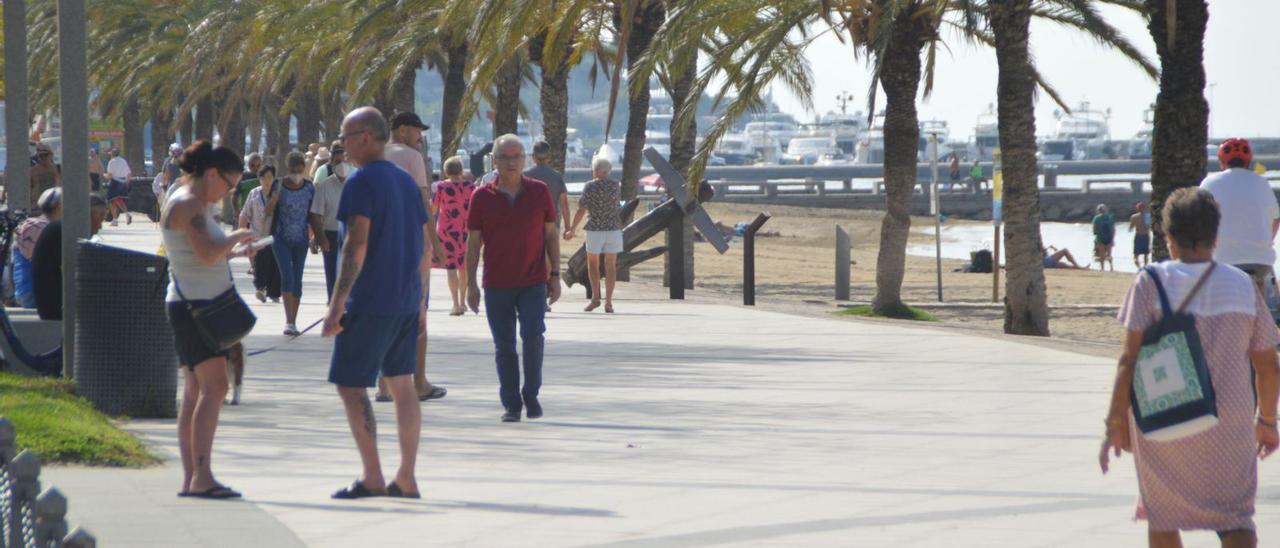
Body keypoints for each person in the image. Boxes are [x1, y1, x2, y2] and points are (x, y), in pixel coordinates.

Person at [1101, 187, 1279, 548]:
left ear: (1168, 237)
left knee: (1163, 515)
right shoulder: (1243, 285)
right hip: (1228, 421)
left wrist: (1115, 422)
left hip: (1164, 415)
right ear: (1216, 237)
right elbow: (1267, 364)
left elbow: (1128, 359)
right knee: (1235, 517)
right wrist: (1267, 421)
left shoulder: (1149, 282)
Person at [321, 107, 428, 500]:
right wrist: (418, 303)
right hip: (403, 300)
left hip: (371, 301)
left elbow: (356, 244)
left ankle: (372, 476)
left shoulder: (361, 183)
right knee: (402, 385)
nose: (342, 145)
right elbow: (422, 244)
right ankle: (407, 477)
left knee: (351, 385)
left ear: (366, 137)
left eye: (346, 137)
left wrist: (337, 305)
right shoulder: (404, 181)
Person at [161, 140, 256, 499]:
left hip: (194, 302)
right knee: (214, 387)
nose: (229, 192)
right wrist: (239, 235)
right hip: (196, 308)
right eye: (229, 184)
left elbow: (201, 255)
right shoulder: (188, 203)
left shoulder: (194, 202)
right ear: (212, 173)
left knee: (197, 391)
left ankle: (194, 477)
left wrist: (235, 249)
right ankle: (201, 477)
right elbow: (206, 254)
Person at [466, 134, 562, 423]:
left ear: (525, 160)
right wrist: (470, 283)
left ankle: (531, 394)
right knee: (504, 345)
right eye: (505, 157)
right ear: (494, 162)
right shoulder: (481, 197)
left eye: (516, 156)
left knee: (533, 337)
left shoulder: (539, 191)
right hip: (496, 284)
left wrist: (555, 274)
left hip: (533, 281)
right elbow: (473, 243)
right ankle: (511, 403)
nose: (511, 162)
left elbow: (550, 235)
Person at [380, 111, 447, 403]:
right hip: (410, 245)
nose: (420, 137)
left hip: (379, 245)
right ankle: (418, 382)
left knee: (382, 315)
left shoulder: (375, 155)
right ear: (404, 130)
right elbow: (423, 203)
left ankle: (383, 385)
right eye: (418, 131)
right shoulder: (411, 157)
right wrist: (435, 242)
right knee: (417, 315)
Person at [1199, 138, 1280, 297]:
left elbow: (1200, 220)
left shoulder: (1209, 183)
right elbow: (1276, 220)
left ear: (1222, 162)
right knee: (1260, 300)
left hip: (1223, 259)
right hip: (1260, 260)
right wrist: (1265, 242)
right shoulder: (1261, 182)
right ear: (1248, 162)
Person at [32, 195, 109, 321]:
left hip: (54, 302)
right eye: (100, 218)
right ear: (90, 214)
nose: (100, 226)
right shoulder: (63, 231)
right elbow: (76, 271)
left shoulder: (61, 228)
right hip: (56, 307)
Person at [565, 156, 622, 313]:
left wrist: (572, 228)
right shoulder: (616, 185)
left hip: (595, 229)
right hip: (613, 229)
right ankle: (608, 301)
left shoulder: (589, 186)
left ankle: (595, 298)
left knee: (593, 264)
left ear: (597, 170)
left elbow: (582, 208)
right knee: (611, 266)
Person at [268, 152, 315, 336]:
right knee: (287, 276)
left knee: (298, 279)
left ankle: (294, 321)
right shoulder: (278, 185)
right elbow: (267, 212)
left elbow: (314, 214)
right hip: (281, 238)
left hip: (302, 240)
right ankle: (288, 321)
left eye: (299, 170)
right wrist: (273, 201)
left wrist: (316, 235)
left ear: (304, 169)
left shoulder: (310, 188)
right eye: (293, 170)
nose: (296, 173)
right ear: (288, 169)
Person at [430, 156, 475, 316]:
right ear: (462, 171)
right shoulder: (471, 187)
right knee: (463, 267)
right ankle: (463, 303)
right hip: (465, 230)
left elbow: (433, 210)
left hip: (446, 230)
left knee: (451, 267)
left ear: (445, 171)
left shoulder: (441, 188)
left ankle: (455, 304)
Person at [309, 145, 349, 301]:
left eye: (343, 161)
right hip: (331, 234)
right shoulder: (324, 186)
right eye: (337, 162)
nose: (341, 165)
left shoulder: (356, 183)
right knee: (332, 269)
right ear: (331, 164)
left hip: (351, 233)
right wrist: (320, 237)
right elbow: (315, 214)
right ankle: (333, 300)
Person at [238, 165, 282, 303]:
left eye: (270, 177)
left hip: (274, 235)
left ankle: (274, 292)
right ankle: (260, 289)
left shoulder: (279, 194)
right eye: (263, 178)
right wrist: (242, 234)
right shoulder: (254, 194)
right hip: (257, 234)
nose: (267, 181)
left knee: (274, 265)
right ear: (259, 179)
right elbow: (245, 214)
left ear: (274, 178)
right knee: (260, 263)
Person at [13, 188, 62, 308]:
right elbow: (44, 264)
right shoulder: (36, 227)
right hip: (33, 293)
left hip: (39, 291)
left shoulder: (48, 226)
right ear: (59, 207)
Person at [105, 148, 133, 225]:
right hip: (123, 182)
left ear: (113, 154)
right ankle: (126, 215)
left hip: (115, 182)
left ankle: (115, 220)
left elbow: (110, 175)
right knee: (119, 200)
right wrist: (127, 182)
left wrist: (104, 175)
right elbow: (129, 173)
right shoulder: (123, 161)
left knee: (111, 201)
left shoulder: (112, 162)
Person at [29, 144, 60, 211]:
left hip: (54, 204)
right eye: (40, 155)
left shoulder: (57, 169)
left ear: (51, 155)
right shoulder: (33, 170)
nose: (43, 157)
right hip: (37, 205)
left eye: (45, 155)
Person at [1092, 204, 1116, 272]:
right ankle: (1111, 268)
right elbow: (1113, 229)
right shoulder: (1110, 218)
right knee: (1109, 254)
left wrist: (1095, 235)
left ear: (1098, 211)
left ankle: (1102, 268)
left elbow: (1094, 230)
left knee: (1101, 254)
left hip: (1100, 238)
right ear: (1106, 210)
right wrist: (1112, 239)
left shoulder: (1096, 218)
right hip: (1109, 238)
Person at [1130, 201, 1152, 268]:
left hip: (1138, 235)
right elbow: (1148, 227)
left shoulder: (1134, 217)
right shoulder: (1147, 216)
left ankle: (1139, 268)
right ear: (1144, 208)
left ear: (1137, 208)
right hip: (1145, 236)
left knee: (1136, 254)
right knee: (1146, 254)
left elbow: (1130, 228)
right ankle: (1144, 268)